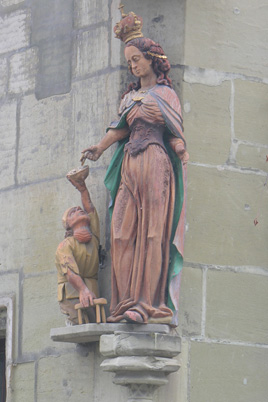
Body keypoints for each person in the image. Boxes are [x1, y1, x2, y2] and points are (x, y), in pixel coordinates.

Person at [81, 9, 188, 326]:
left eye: (136, 59)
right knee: (122, 232)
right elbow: (120, 128)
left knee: (152, 232)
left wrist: (180, 147)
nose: (133, 66)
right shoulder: (129, 98)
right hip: (130, 162)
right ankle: (123, 301)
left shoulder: (167, 95)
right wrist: (100, 148)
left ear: (152, 59)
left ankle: (146, 303)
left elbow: (175, 132)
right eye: (129, 62)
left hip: (155, 162)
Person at [55, 168, 100, 325]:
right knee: (78, 323)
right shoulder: (65, 246)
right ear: (68, 225)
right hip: (73, 292)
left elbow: (90, 209)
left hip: (92, 291)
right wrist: (82, 289)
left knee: (95, 323)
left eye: (79, 210)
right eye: (73, 212)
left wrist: (83, 189)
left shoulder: (93, 238)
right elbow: (70, 271)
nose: (78, 210)